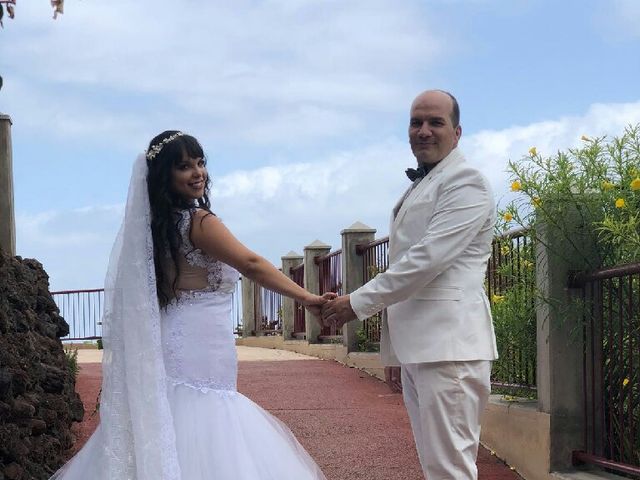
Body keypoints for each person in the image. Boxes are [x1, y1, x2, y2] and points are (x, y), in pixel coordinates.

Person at [51, 131, 330, 480]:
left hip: (176, 334)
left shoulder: (158, 226)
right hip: (199, 344)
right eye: (184, 166)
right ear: (165, 175)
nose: (198, 172)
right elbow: (251, 264)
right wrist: (308, 298)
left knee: (177, 418)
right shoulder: (200, 222)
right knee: (208, 416)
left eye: (200, 163)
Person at [322, 90, 498, 480]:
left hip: (450, 349)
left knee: (450, 469)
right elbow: (409, 265)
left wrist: (356, 302)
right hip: (424, 350)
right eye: (416, 122)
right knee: (438, 468)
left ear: (457, 131)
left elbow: (427, 261)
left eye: (435, 122)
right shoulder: (426, 182)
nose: (423, 131)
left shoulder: (466, 182)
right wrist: (397, 352)